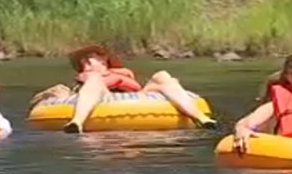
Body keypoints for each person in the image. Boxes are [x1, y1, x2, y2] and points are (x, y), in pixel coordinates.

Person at [38, 45, 217, 134]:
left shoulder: (122, 72)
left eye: (96, 57)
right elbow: (113, 82)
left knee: (162, 75)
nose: (89, 62)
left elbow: (134, 87)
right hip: (103, 97)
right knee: (94, 80)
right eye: (86, 60)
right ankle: (77, 122)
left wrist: (118, 78)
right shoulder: (87, 76)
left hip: (135, 98)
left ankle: (201, 118)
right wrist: (116, 78)